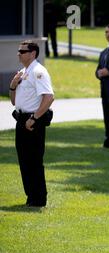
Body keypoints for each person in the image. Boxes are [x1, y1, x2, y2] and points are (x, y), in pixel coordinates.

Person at [9, 41, 55, 207]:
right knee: (24, 160)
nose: (19, 54)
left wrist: (34, 118)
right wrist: (13, 86)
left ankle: (39, 199)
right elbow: (14, 102)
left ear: (33, 53)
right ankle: (31, 198)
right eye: (18, 51)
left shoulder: (38, 71)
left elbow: (49, 97)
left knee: (34, 160)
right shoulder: (23, 72)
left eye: (22, 51)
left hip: (32, 121)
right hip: (21, 119)